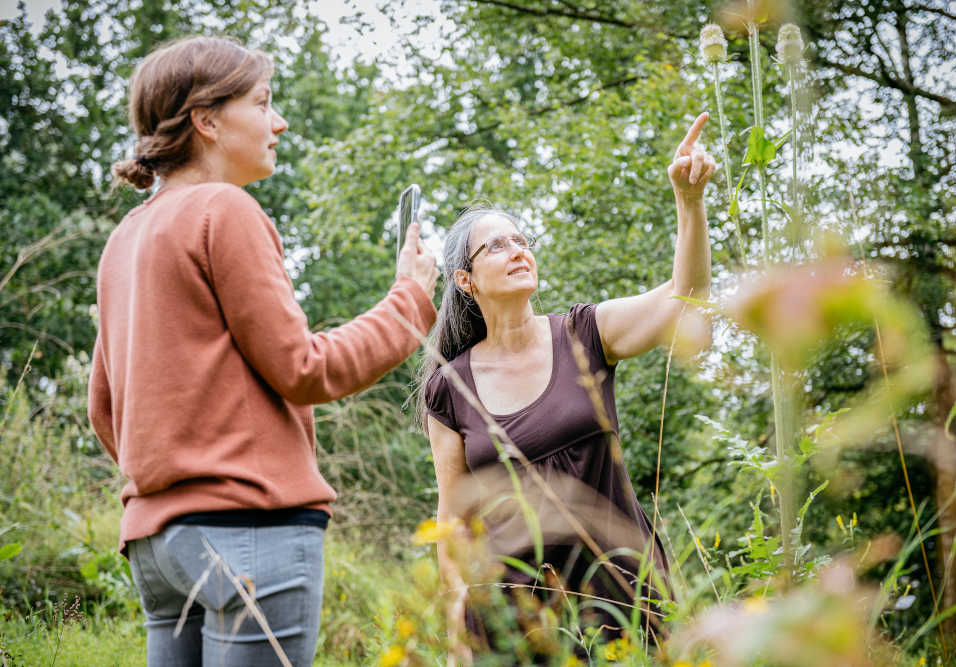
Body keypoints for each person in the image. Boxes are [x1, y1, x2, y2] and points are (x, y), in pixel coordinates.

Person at [87, 36, 439, 666]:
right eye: (264, 103)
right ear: (208, 120)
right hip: (247, 534)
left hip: (157, 545)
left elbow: (104, 409)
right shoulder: (225, 209)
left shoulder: (127, 236)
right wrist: (409, 298)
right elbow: (304, 369)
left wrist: (175, 474)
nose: (278, 122)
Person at [419, 113, 715, 652]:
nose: (517, 250)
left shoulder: (585, 335)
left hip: (622, 605)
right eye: (497, 246)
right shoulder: (451, 389)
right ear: (465, 280)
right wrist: (458, 626)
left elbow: (685, 298)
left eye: (521, 240)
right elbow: (452, 522)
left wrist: (689, 204)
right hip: (515, 627)